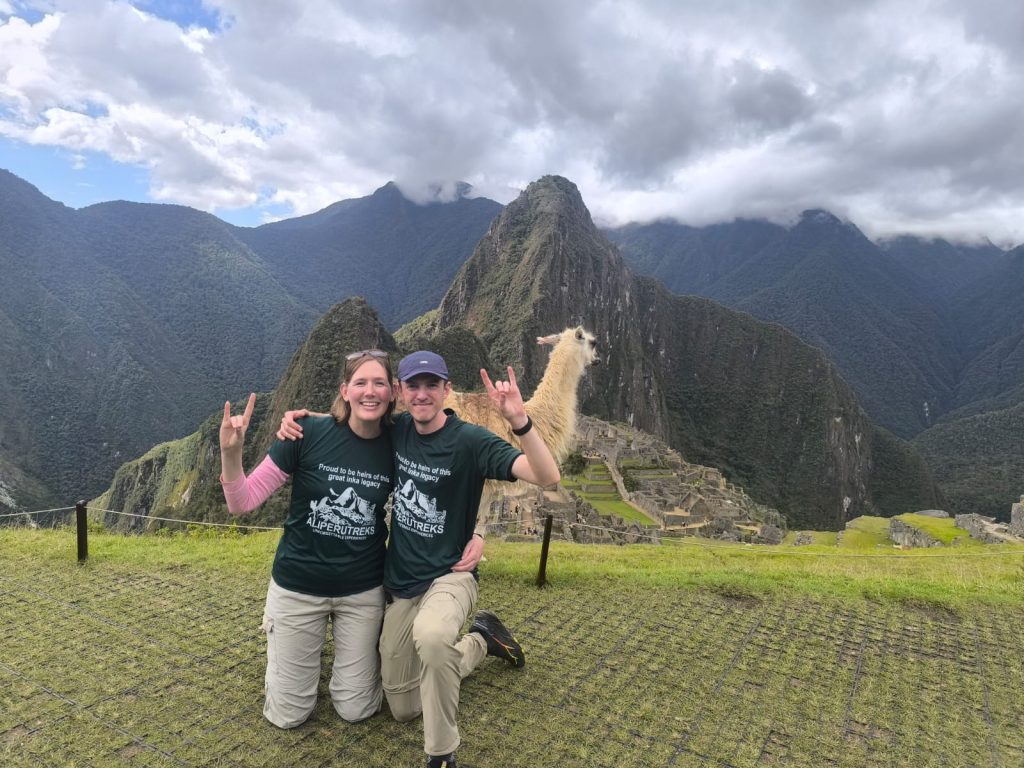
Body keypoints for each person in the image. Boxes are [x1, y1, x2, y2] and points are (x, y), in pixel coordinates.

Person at [279, 350, 560, 768]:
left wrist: (519, 421)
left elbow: (546, 475)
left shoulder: (471, 440)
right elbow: (357, 414)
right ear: (400, 393)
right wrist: (299, 422)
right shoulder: (399, 429)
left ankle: (441, 754)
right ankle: (484, 639)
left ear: (447, 390)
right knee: (404, 704)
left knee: (431, 638)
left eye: (432, 385)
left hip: (451, 577)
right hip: (402, 584)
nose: (422, 393)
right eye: (413, 385)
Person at [219, 350, 396, 729]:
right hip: (298, 586)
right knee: (288, 716)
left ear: (392, 392)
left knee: (356, 709)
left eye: (379, 382)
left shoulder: (399, 444)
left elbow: (446, 457)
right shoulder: (305, 433)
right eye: (360, 383)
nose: (370, 391)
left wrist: (476, 532)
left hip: (362, 590)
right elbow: (241, 501)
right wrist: (230, 453)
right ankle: (290, 665)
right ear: (344, 390)